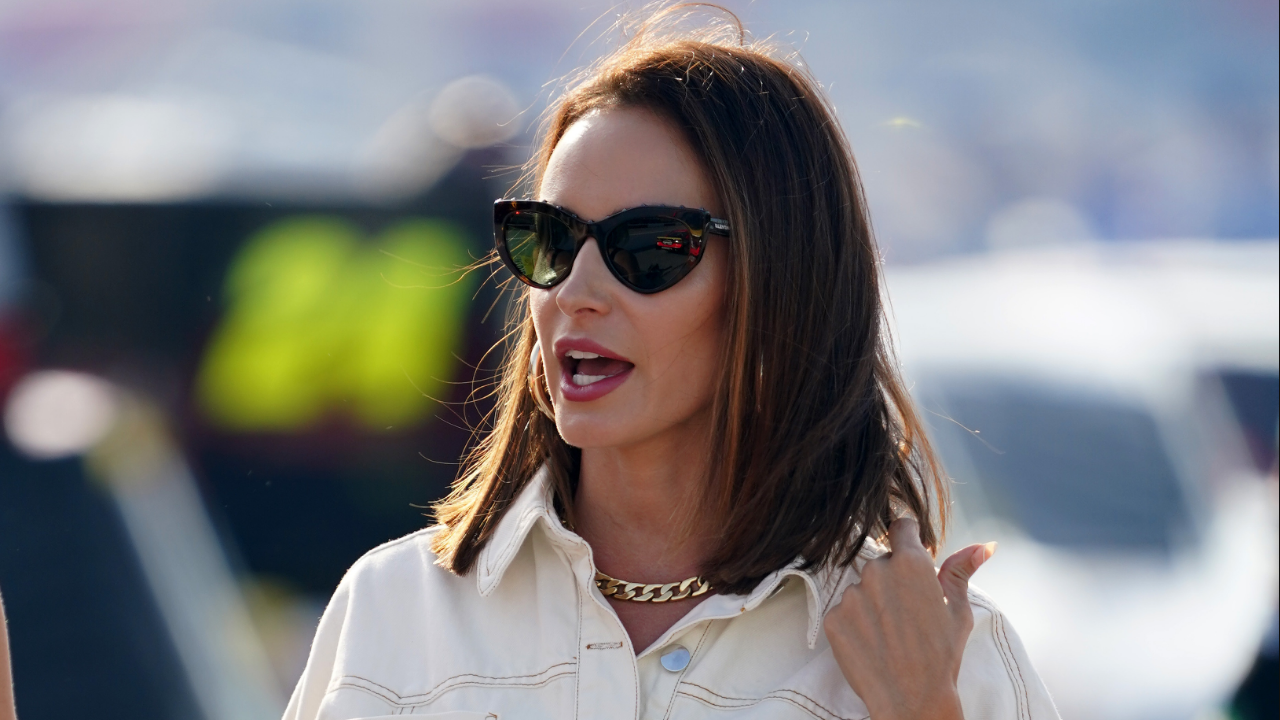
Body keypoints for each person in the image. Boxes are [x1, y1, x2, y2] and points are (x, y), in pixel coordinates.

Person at [285, 7, 1059, 719]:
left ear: (781, 285)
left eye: (650, 248)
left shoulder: (937, 658)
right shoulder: (398, 611)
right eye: (549, 239)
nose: (575, 293)